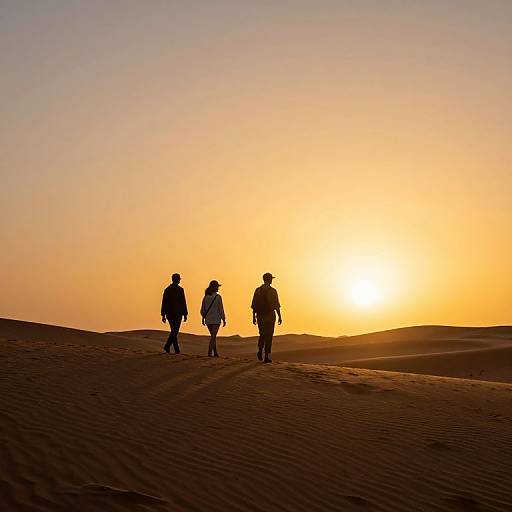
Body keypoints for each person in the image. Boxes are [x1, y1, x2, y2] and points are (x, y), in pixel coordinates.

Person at [251, 272, 282, 363]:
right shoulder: (273, 291)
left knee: (262, 334)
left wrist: (253, 317)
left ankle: (260, 349)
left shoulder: (257, 290)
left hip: (260, 316)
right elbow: (276, 305)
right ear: (269, 279)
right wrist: (280, 316)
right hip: (270, 317)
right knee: (269, 336)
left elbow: (254, 305)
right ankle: (266, 356)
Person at [161, 273, 188, 354]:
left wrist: (163, 314)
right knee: (175, 331)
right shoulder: (179, 290)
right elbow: (183, 302)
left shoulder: (167, 290)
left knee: (174, 331)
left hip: (170, 314)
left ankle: (176, 350)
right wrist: (185, 314)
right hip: (177, 313)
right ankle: (168, 346)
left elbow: (164, 303)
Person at [201, 280, 226, 357]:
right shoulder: (218, 297)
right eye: (217, 287)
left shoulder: (205, 297)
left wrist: (203, 317)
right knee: (213, 336)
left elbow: (202, 310)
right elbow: (221, 309)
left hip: (208, 320)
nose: (218, 288)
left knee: (213, 336)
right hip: (216, 319)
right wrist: (224, 319)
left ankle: (215, 353)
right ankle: (209, 353)